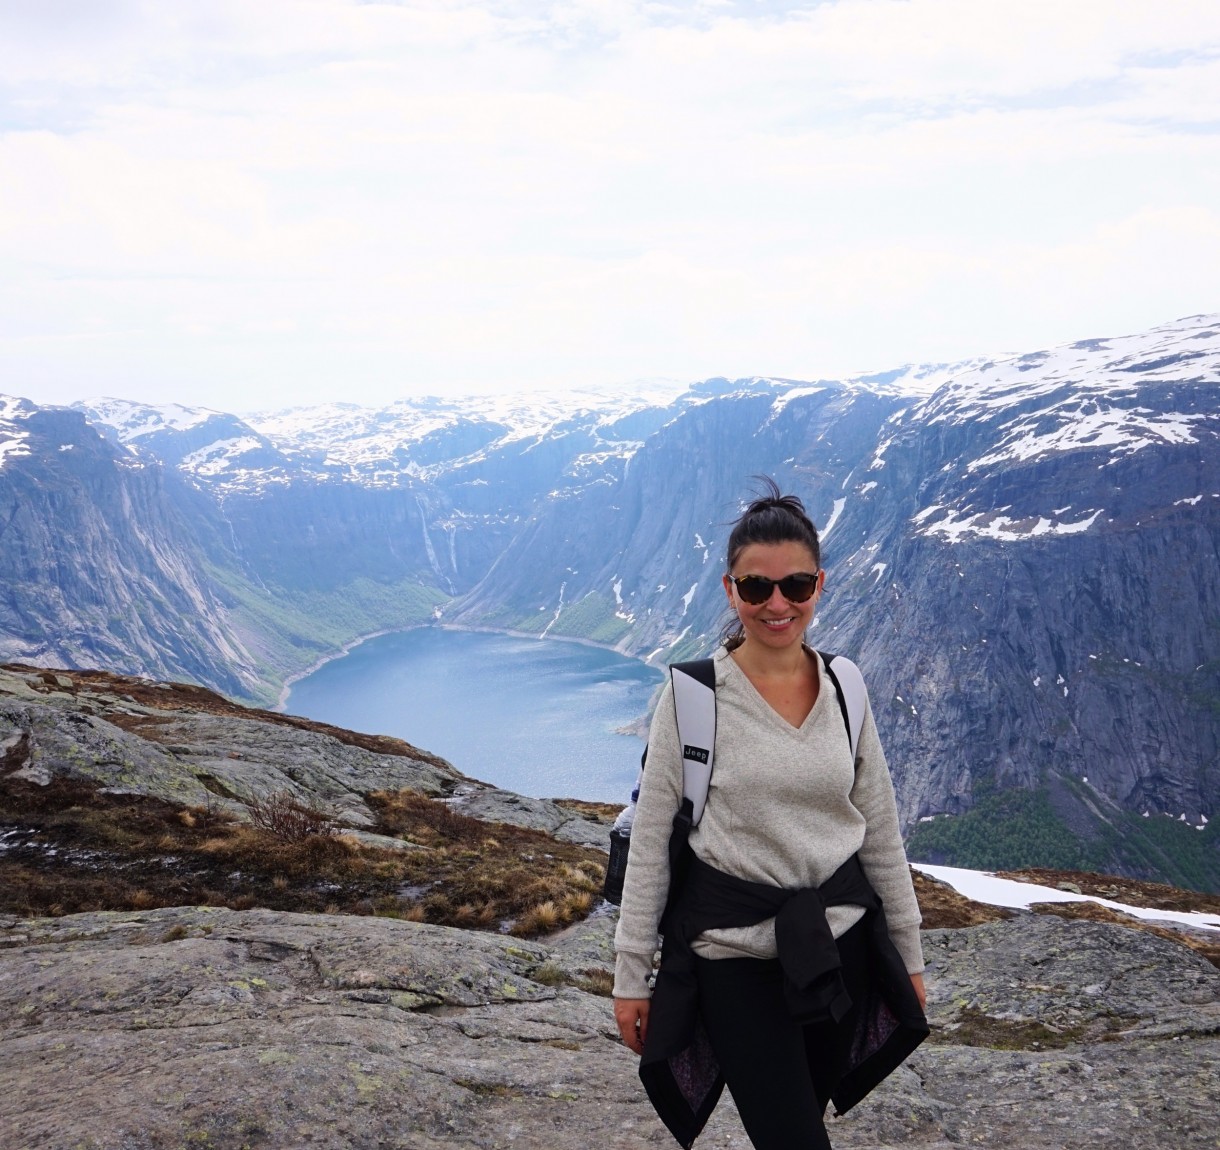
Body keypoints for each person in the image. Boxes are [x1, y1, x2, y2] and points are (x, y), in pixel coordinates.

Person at [612, 479, 927, 1150]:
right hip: (735, 961)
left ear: (819, 585)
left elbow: (879, 831)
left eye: (796, 585)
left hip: (841, 950)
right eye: (756, 588)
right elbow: (652, 844)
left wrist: (909, 957)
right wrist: (631, 976)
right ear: (731, 591)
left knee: (802, 1123)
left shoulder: (845, 686)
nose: (777, 604)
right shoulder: (692, 699)